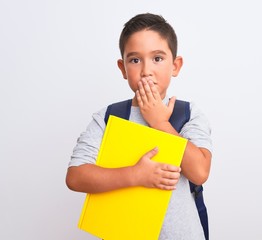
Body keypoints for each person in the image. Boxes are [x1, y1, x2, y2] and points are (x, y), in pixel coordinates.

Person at [66, 13, 212, 240]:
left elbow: (200, 172)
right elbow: (75, 177)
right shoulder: (108, 117)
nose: (146, 70)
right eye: (135, 60)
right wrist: (135, 175)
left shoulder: (187, 114)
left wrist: (160, 122)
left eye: (157, 58)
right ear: (123, 68)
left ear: (175, 65)